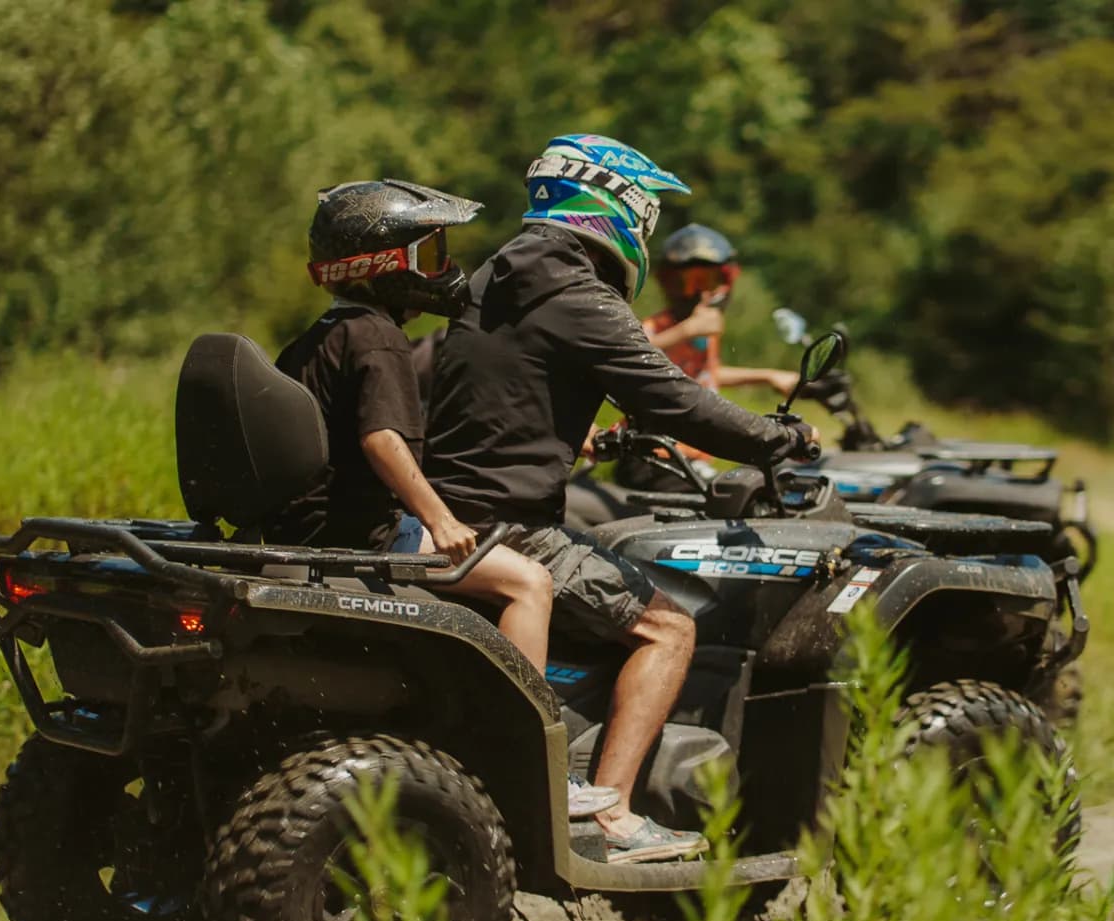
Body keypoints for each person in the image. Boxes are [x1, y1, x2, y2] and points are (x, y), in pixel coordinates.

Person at [425, 135, 815, 864]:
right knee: (669, 629)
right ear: (618, 205)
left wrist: (593, 441)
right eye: (649, 207)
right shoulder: (578, 297)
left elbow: (506, 402)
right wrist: (776, 439)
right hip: (512, 531)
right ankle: (616, 819)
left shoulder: (489, 281)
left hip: (450, 515)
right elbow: (674, 398)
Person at [268, 178, 620, 819]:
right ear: (384, 266)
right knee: (528, 583)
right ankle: (523, 762)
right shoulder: (379, 336)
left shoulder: (321, 336)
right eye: (429, 255)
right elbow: (380, 439)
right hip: (362, 536)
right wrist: (439, 519)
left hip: (310, 528)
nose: (446, 270)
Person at [643, 224, 797, 396]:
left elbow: (706, 374)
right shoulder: (655, 327)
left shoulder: (705, 334)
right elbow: (629, 355)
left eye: (710, 281)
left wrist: (768, 376)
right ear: (668, 283)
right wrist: (686, 330)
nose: (701, 294)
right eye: (687, 282)